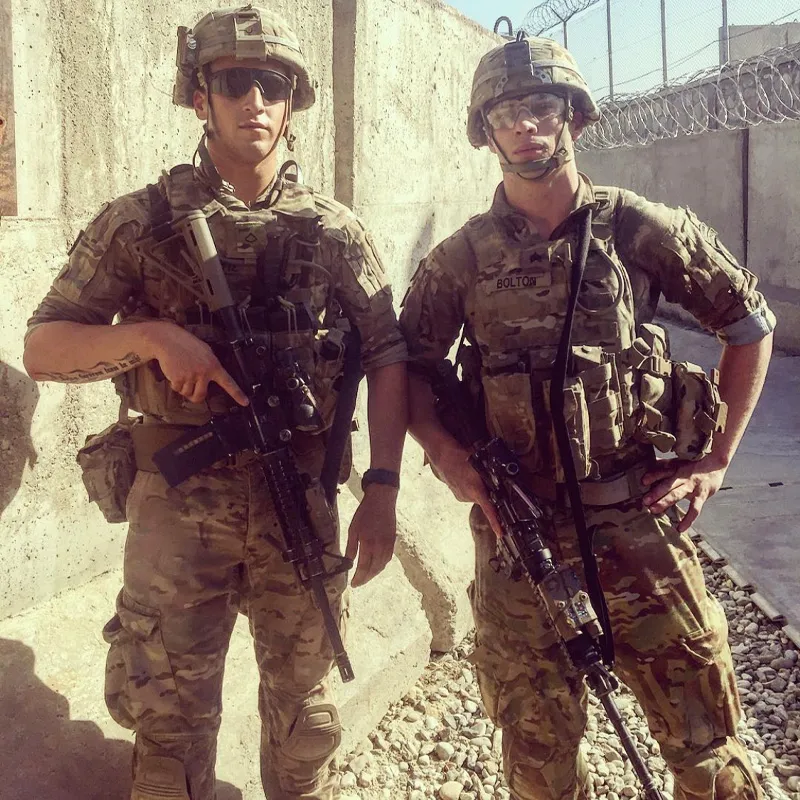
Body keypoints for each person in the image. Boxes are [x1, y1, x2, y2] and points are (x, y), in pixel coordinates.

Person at [23, 6, 408, 799]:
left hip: (299, 499)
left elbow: (391, 356)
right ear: (201, 97)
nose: (255, 101)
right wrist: (155, 337)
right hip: (177, 505)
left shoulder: (333, 231)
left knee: (304, 726)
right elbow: (45, 346)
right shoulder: (142, 222)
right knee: (167, 733)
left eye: (274, 85)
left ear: (294, 100)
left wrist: (383, 486)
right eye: (235, 83)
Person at [400, 32, 774, 800]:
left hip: (637, 526)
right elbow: (406, 365)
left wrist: (713, 461)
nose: (528, 126)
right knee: (539, 767)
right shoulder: (461, 259)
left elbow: (748, 323)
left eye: (542, 106)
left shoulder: (638, 228)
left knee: (710, 759)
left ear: (574, 116)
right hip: (520, 539)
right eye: (508, 113)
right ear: (486, 132)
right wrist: (444, 452)